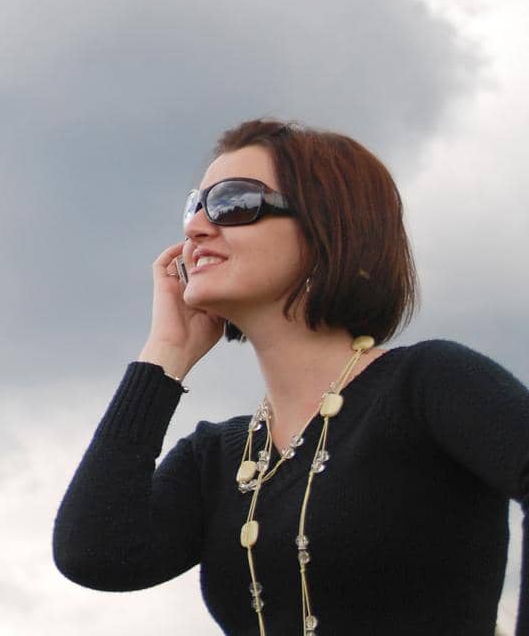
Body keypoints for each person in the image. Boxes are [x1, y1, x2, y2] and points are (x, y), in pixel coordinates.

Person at [53, 118, 528, 634]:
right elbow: (95, 554)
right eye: (194, 206)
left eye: (233, 203)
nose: (196, 228)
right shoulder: (218, 458)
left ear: (328, 227)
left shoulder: (430, 384)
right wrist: (164, 354)